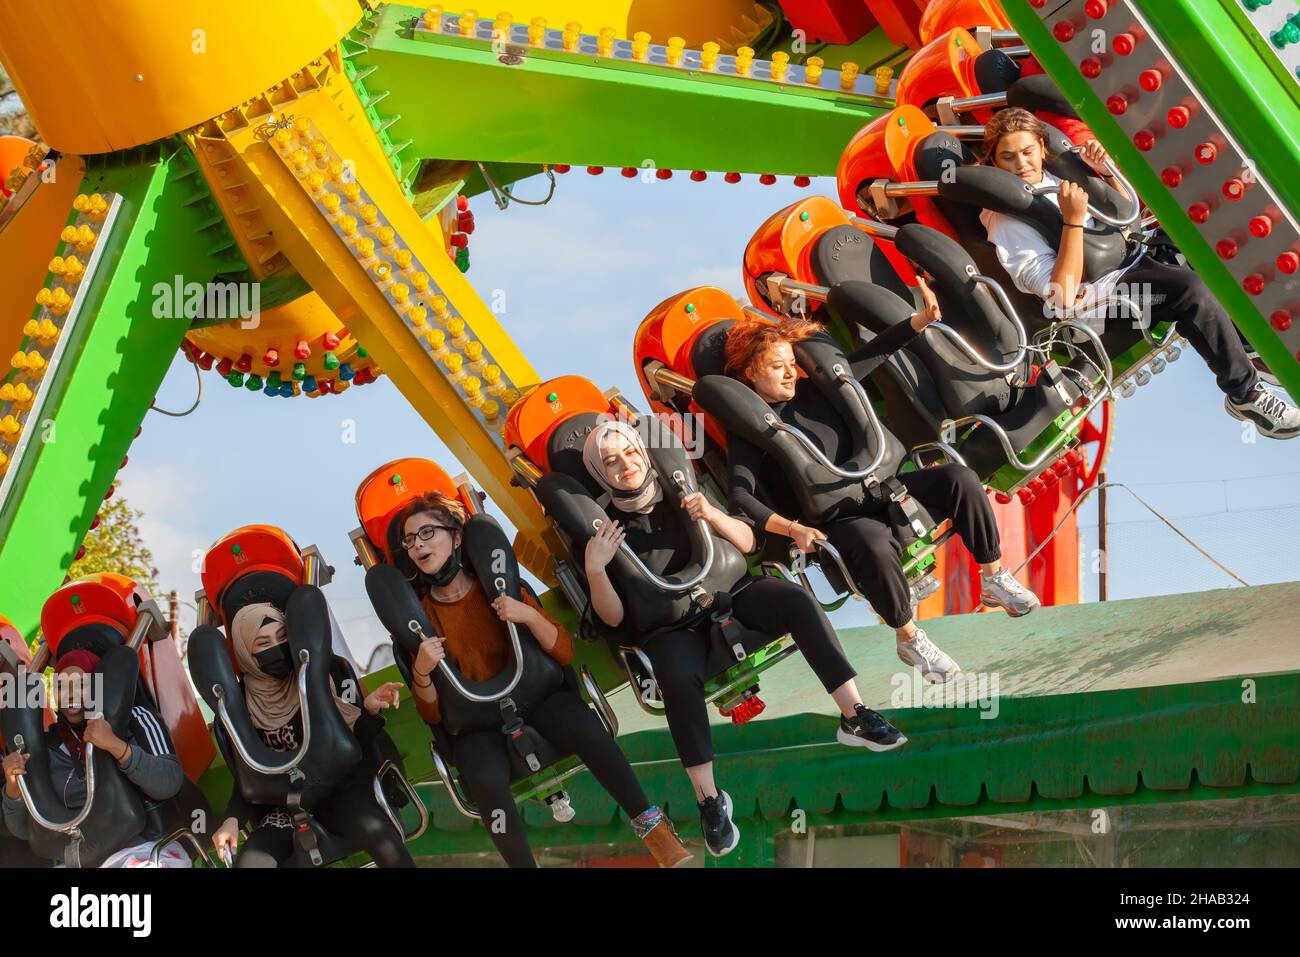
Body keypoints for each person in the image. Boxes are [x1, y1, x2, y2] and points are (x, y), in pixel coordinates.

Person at [581, 419, 906, 858]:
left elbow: (749, 543)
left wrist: (710, 514)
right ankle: (709, 800)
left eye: (630, 452)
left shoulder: (680, 486)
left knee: (794, 600)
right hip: (669, 627)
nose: (625, 465)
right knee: (675, 678)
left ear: (644, 450)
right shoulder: (603, 528)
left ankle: (855, 713)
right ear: (600, 473)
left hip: (727, 595)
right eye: (610, 461)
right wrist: (597, 568)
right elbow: (614, 618)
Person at [721, 312, 1042, 685]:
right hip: (839, 517)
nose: (791, 373)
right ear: (751, 374)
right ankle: (909, 639)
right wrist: (793, 530)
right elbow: (740, 496)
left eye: (792, 363)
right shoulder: (749, 428)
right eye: (778, 367)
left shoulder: (820, 388)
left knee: (960, 477)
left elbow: (875, 352)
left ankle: (993, 577)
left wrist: (920, 320)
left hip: (881, 487)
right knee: (873, 543)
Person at [391, 490, 692, 868]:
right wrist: (421, 669)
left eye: (427, 532)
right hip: (477, 726)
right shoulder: (416, 623)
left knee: (584, 726)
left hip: (536, 699)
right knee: (482, 775)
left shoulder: (502, 585)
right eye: (409, 539)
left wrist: (529, 616)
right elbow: (433, 715)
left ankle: (654, 830)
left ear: (456, 537)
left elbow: (564, 652)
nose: (418, 544)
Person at [979, 107, 1298, 439]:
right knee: (1189, 290)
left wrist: (1105, 172)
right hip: (1094, 302)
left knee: (1196, 242)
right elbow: (1060, 296)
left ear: (1042, 147)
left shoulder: (1056, 176)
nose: (1021, 164)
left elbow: (1125, 215)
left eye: (1028, 152)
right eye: (1008, 157)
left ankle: (1248, 345)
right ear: (994, 163)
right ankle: (1245, 394)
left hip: (1130, 259)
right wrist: (1072, 221)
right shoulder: (1007, 219)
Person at [210, 604, 416, 868]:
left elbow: (352, 744)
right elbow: (250, 772)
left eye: (283, 636)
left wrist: (368, 711)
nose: (277, 647)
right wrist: (232, 820)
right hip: (286, 808)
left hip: (339, 791)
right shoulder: (239, 706)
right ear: (245, 653)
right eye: (263, 643)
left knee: (378, 834)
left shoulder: (321, 674)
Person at [2, 648, 187, 867]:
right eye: (61, 686)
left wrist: (117, 747)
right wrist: (13, 790)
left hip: (145, 849)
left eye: (81, 684)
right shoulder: (46, 746)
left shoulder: (135, 720)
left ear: (100, 689)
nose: (70, 694)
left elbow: (169, 783)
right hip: (81, 859)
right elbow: (23, 829)